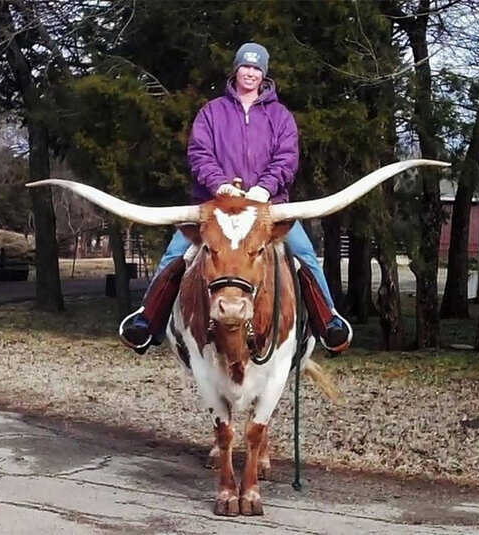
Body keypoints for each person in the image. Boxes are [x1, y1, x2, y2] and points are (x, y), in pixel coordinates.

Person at [119, 42, 351, 355]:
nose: (251, 73)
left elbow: (287, 158)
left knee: (304, 253)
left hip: (268, 209)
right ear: (236, 69)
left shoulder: (280, 116)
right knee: (176, 254)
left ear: (264, 74)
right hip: (217, 208)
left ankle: (329, 322)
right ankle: (147, 321)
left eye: (257, 68)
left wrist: (264, 189)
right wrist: (219, 185)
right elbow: (199, 153)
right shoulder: (211, 112)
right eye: (246, 66)